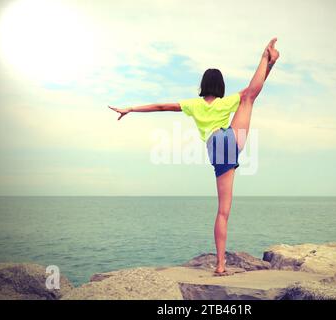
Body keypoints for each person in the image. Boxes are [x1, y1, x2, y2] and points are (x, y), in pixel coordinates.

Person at [109, 38, 279, 276]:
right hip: (231, 138)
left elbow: (160, 107)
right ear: (220, 86)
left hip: (217, 147)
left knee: (222, 211)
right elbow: (253, 89)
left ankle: (220, 265)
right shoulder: (228, 101)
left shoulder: (193, 105)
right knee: (249, 97)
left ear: (203, 86)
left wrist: (131, 109)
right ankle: (266, 58)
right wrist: (267, 65)